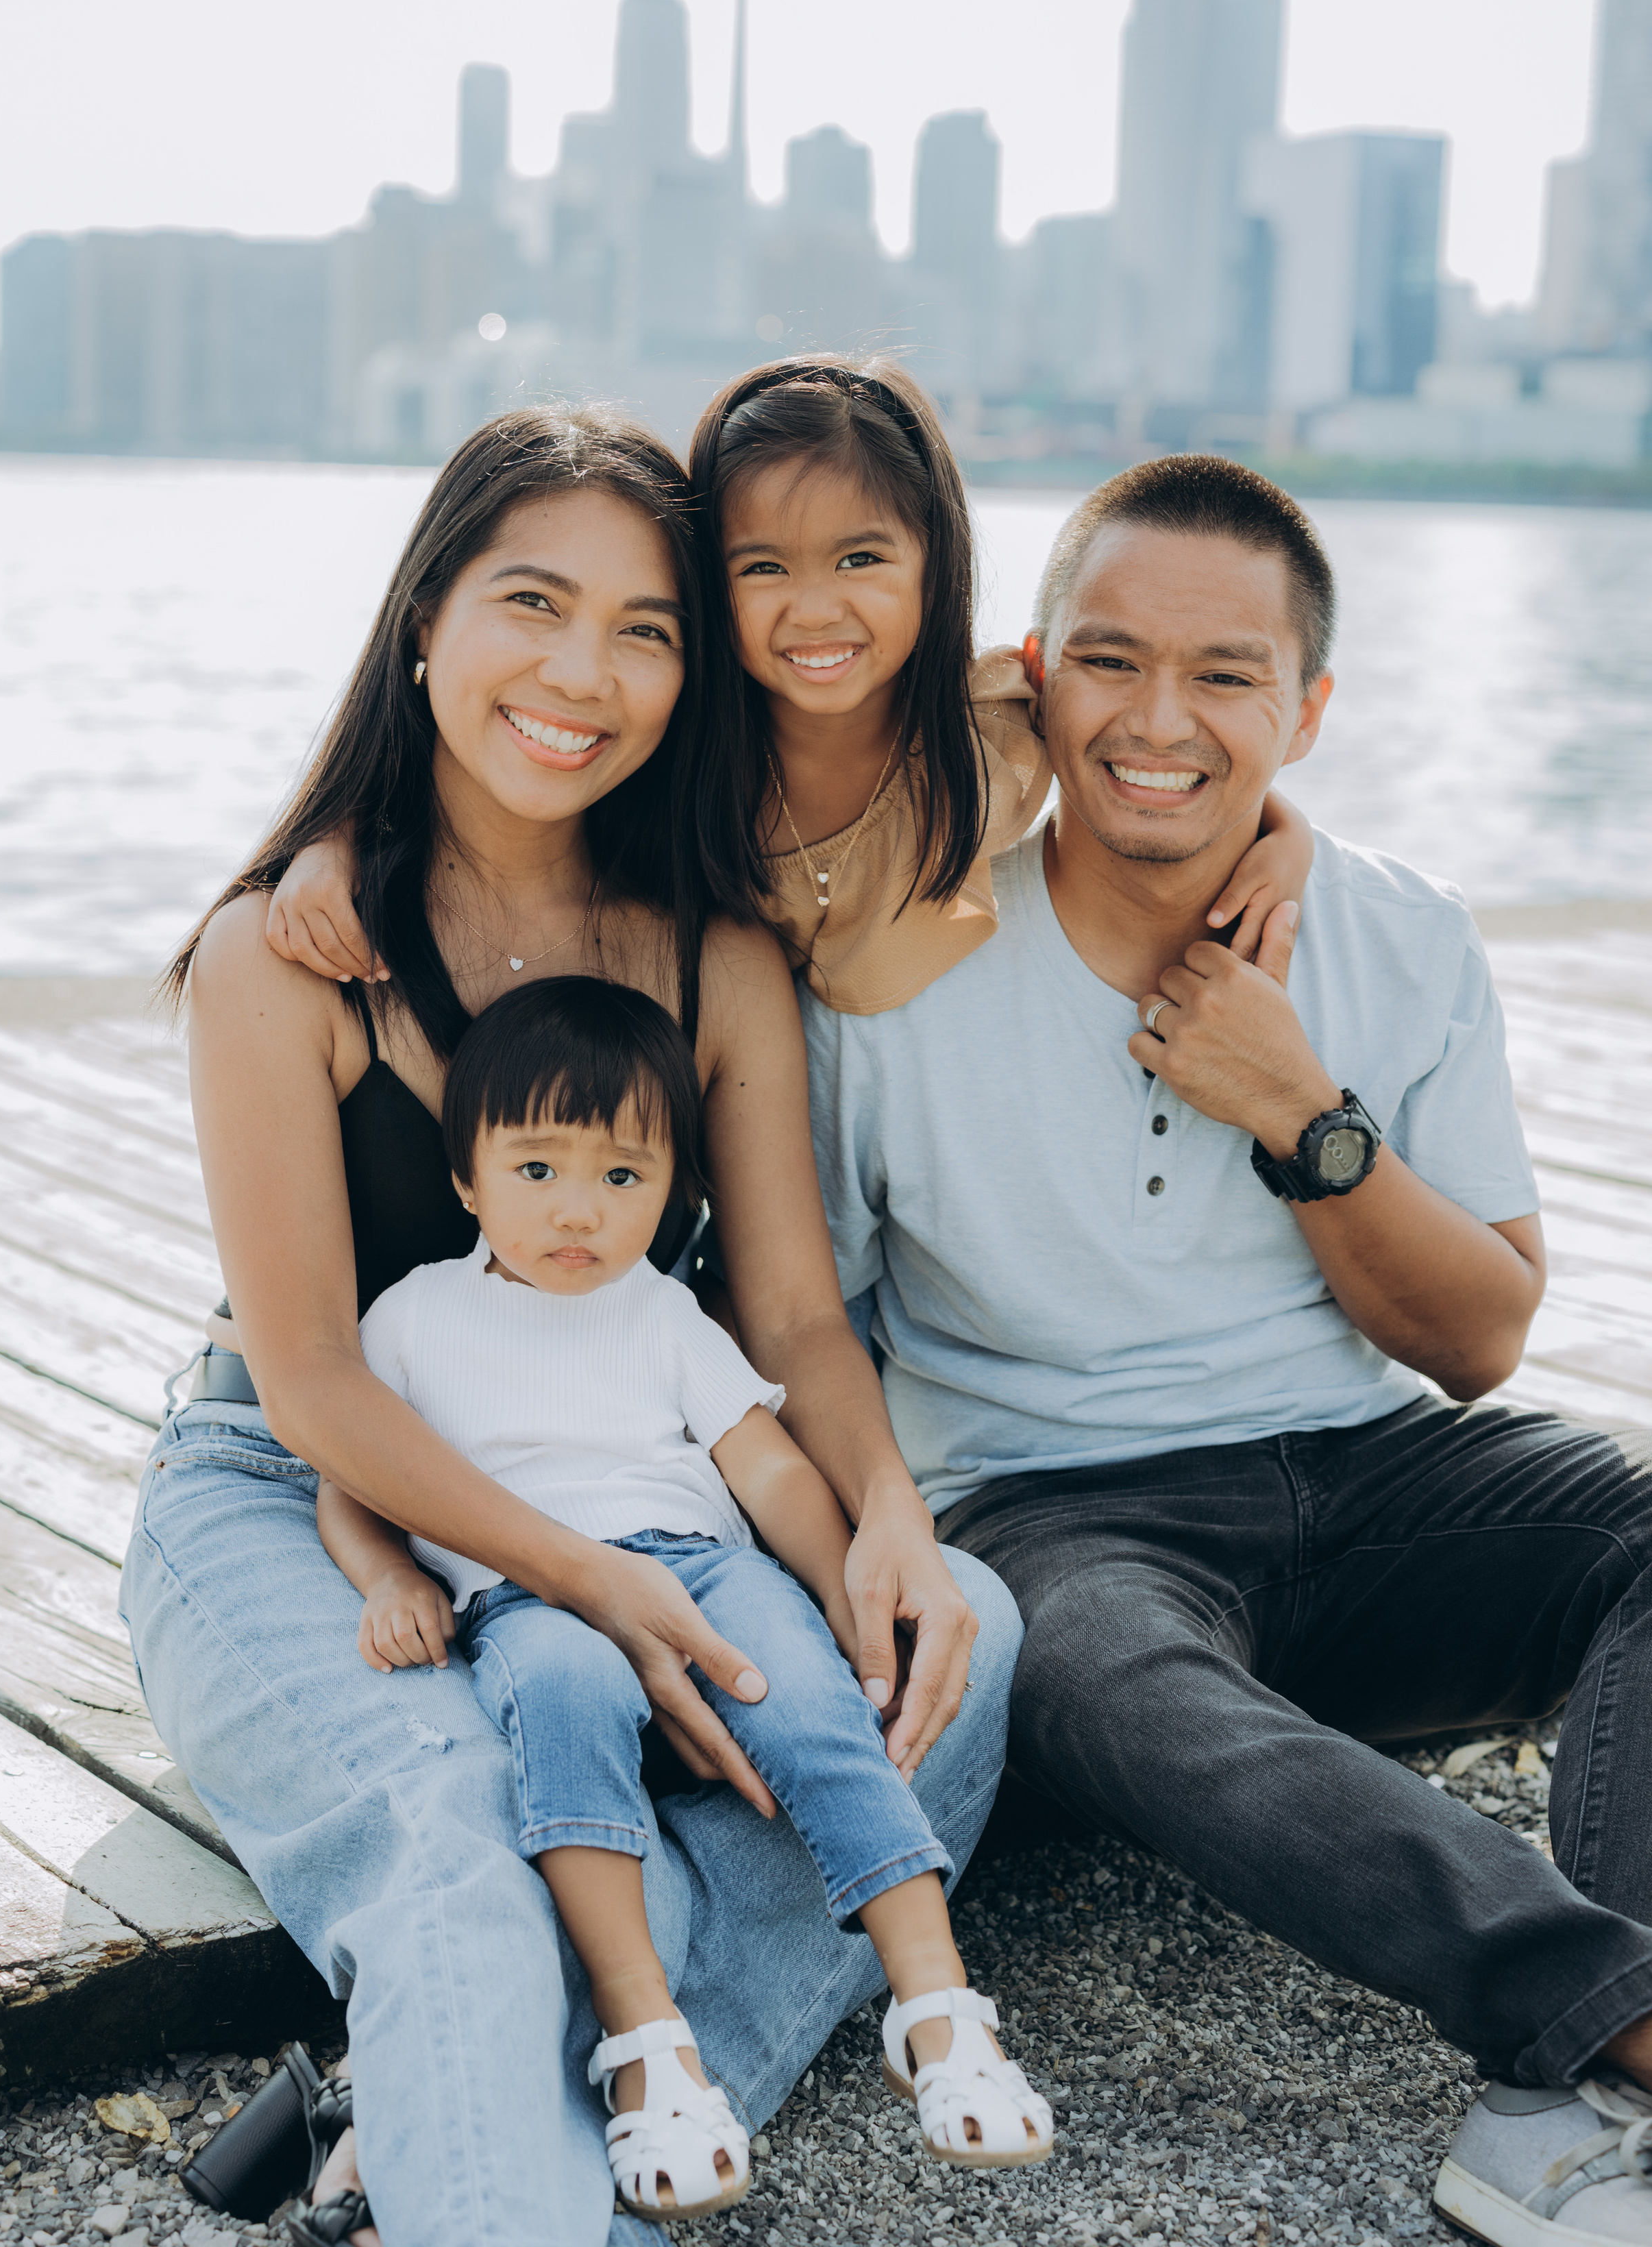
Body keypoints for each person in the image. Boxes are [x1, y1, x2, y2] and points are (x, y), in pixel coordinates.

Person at [119, 410, 1023, 2247]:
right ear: (425, 620)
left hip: (639, 1469)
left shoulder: (716, 953)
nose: (582, 675)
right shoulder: (285, 953)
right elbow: (306, 1382)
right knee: (459, 1813)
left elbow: (784, 1316)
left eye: (647, 630)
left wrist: (893, 1522)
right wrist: (592, 1588)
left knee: (962, 1646)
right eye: (534, 604)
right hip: (308, 1499)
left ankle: (459, 2117)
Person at [802, 450, 1652, 2247]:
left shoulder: (1399, 937)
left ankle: (1595, 2028)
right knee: (1090, 1666)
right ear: (1033, 678)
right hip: (1062, 1519)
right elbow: (809, 1325)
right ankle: (1614, 2015)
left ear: (1309, 708)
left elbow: (1485, 1339)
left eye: (1227, 676)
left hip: (1372, 1485)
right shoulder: (895, 973)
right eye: (1109, 660)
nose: (1161, 721)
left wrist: (1303, 1114)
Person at [319, 975, 1052, 2224]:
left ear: (673, 1193)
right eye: (537, 1168)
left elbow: (763, 1468)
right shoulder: (411, 1319)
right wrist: (392, 1576)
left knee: (813, 1697)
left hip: (702, 1564)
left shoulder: (663, 1315)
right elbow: (356, 1484)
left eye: (623, 1178)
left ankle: (935, 2005)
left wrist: (842, 1592)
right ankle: (645, 2036)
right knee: (561, 1694)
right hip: (531, 1589)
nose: (578, 1211)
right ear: (465, 1179)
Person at [267, 359, 1315, 1015]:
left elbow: (1153, 749)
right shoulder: (685, 757)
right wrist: (335, 842)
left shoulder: (997, 728)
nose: (815, 612)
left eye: (860, 562)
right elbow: (471, 766)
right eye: (764, 568)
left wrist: (1287, 839)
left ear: (934, 567)